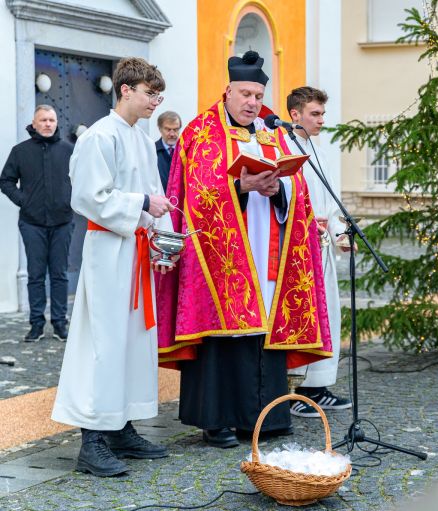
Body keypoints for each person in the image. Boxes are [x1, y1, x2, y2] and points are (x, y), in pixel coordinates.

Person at [156, 51, 332, 449]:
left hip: (267, 250)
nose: (253, 102)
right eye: (246, 93)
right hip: (220, 257)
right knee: (222, 339)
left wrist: (278, 189)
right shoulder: (201, 132)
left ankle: (264, 417)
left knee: (263, 334)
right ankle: (215, 420)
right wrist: (241, 187)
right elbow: (193, 196)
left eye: (258, 94)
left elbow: (298, 189)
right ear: (228, 90)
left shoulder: (273, 133)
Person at [51, 57, 175, 477]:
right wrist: (139, 205)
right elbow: (87, 196)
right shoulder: (99, 137)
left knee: (133, 342)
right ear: (125, 89)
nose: (156, 101)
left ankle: (122, 427)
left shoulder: (139, 137)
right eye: (150, 93)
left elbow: (156, 194)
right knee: (103, 343)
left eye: (159, 94)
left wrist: (164, 242)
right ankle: (92, 440)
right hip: (109, 251)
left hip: (137, 251)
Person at [284, 86, 351, 417]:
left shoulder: (318, 152)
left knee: (327, 318)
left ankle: (318, 385)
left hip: (320, 248)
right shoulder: (284, 148)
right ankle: (298, 390)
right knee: (303, 317)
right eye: (315, 114)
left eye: (322, 114)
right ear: (295, 114)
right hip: (296, 252)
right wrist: (306, 222)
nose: (322, 120)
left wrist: (341, 234)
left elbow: (330, 202)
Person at [0, 105, 74, 342]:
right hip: (32, 223)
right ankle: (36, 324)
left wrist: (71, 202)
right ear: (34, 123)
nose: (48, 124)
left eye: (51, 119)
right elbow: (6, 181)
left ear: (56, 123)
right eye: (43, 120)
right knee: (35, 274)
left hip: (63, 221)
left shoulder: (69, 150)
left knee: (60, 274)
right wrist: (24, 201)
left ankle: (60, 323)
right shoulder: (20, 151)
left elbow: (83, 180)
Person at [155, 111, 181, 192]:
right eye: (168, 129)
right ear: (160, 129)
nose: (172, 134)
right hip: (158, 202)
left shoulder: (186, 152)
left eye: (176, 129)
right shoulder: (151, 150)